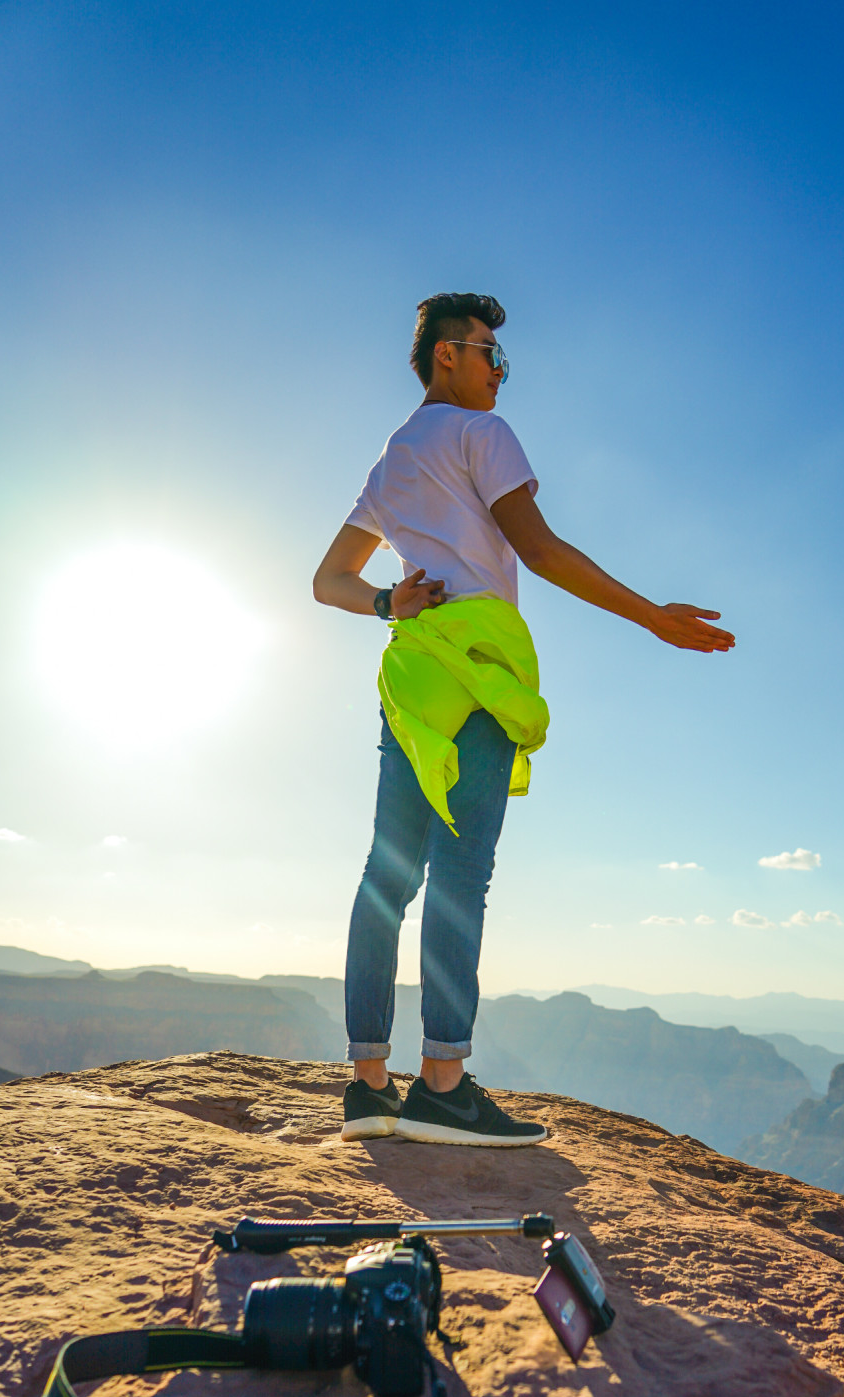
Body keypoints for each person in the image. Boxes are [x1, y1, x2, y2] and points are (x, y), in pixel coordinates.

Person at [313, 292, 735, 1149]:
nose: (501, 372)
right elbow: (539, 551)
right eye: (489, 355)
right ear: (446, 358)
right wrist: (653, 616)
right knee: (461, 875)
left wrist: (389, 600)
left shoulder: (392, 459)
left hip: (413, 673)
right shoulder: (481, 435)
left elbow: (328, 581)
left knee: (386, 875)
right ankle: (441, 1087)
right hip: (477, 671)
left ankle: (367, 1087)